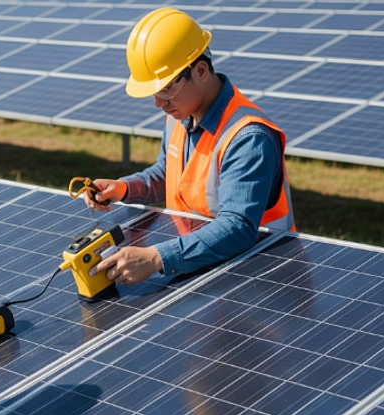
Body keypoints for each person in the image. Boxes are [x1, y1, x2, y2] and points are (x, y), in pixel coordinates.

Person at [85, 7, 295, 285]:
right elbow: (169, 173)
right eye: (154, 93)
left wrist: (156, 258)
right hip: (207, 266)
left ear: (200, 70)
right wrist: (124, 188)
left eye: (166, 89)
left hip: (261, 280)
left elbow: (237, 229)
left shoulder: (248, 137)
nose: (159, 103)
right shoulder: (182, 114)